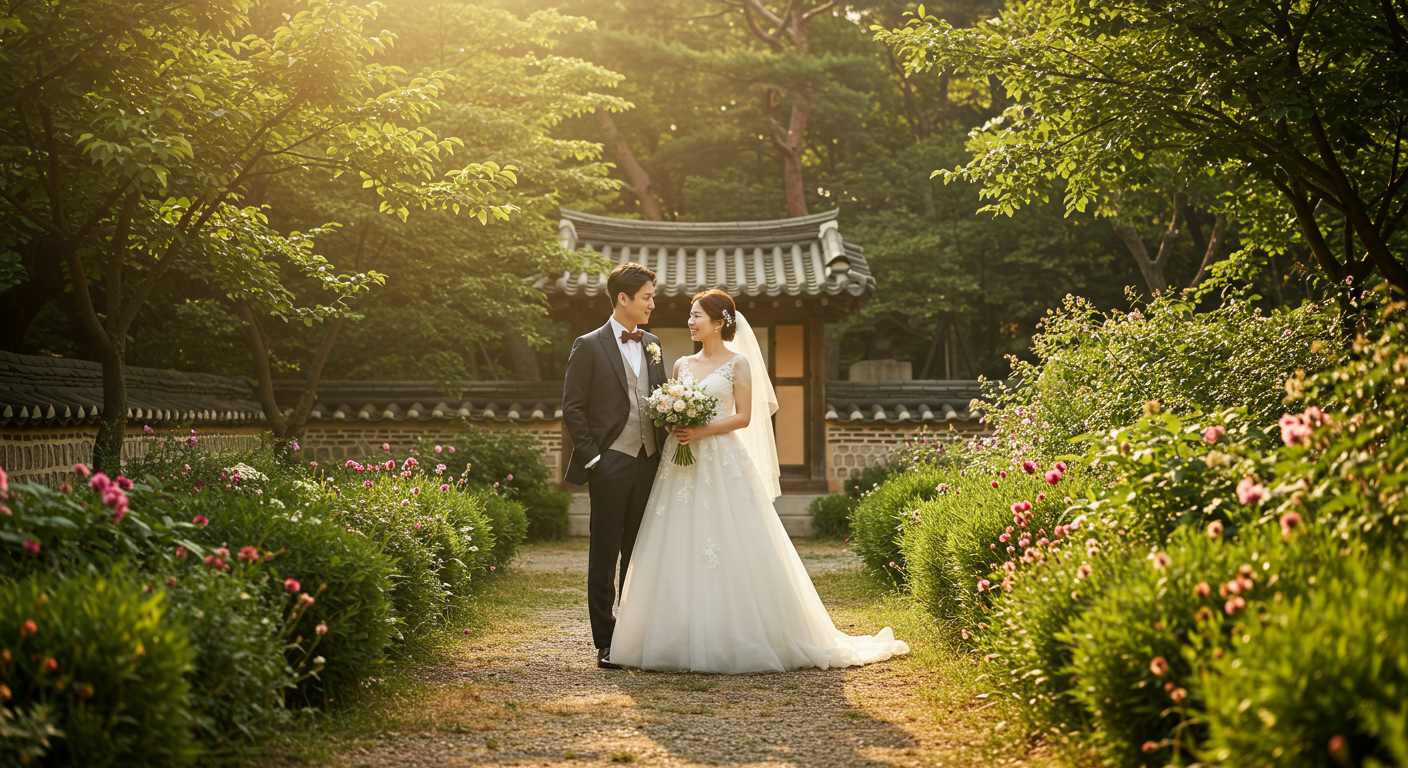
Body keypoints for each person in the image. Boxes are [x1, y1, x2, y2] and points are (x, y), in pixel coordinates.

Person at [608, 289, 910, 673]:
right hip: (680, 463)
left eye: (696, 315)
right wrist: (674, 422)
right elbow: (670, 404)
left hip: (720, 458)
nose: (690, 321)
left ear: (719, 322)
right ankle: (672, 636)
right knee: (676, 537)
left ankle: (738, 634)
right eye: (690, 314)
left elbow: (744, 417)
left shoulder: (739, 365)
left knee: (729, 537)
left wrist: (701, 430)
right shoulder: (681, 364)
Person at [561, 263, 669, 669]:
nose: (652, 305)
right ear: (622, 298)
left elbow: (660, 398)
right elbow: (573, 408)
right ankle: (606, 642)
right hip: (609, 463)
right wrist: (594, 459)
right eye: (646, 298)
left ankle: (636, 637)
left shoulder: (653, 343)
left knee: (641, 552)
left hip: (650, 463)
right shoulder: (588, 345)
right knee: (605, 553)